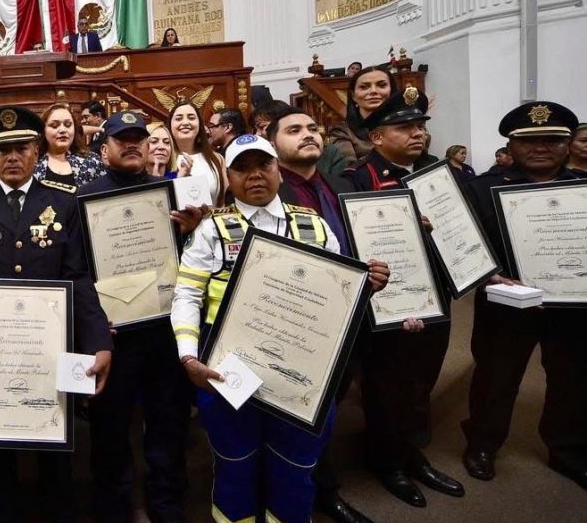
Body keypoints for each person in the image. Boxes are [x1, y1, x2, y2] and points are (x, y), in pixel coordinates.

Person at [172, 134, 390, 523]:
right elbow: (187, 295)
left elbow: (335, 302)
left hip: (301, 364)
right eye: (242, 167)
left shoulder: (315, 226)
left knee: (295, 461)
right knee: (234, 458)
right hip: (228, 363)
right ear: (229, 177)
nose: (254, 175)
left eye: (263, 165)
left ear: (278, 169)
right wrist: (188, 355)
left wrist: (365, 287)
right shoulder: (211, 230)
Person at [0, 105, 112, 522]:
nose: (12, 157)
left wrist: (99, 342)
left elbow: (77, 277)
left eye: (21, 147)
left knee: (55, 448)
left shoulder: (63, 202)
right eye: (2, 150)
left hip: (50, 347)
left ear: (37, 151)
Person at [79, 111, 204, 523]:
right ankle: (115, 508)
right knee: (111, 432)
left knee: (168, 428)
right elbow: (76, 272)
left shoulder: (167, 196)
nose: (133, 144)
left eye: (139, 138)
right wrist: (94, 326)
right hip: (114, 336)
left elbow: (193, 269)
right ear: (104, 150)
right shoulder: (83, 200)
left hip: (162, 331)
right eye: (122, 139)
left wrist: (188, 234)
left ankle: (166, 506)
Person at [343, 88, 461, 507]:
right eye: (405, 127)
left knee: (421, 382)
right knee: (386, 386)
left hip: (439, 298)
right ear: (377, 137)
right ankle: (387, 461)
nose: (417, 134)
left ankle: (412, 454)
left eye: (420, 126)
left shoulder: (438, 174)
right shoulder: (358, 180)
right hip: (390, 302)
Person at [461, 102, 587, 491]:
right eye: (529, 141)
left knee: (573, 381)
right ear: (511, 146)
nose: (540, 148)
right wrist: (486, 276)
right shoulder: (481, 189)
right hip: (506, 304)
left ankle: (566, 451)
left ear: (568, 145)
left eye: (552, 140)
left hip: (574, 309)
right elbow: (462, 245)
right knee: (495, 379)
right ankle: (481, 445)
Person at [268, 108, 369, 523]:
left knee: (331, 406)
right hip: (295, 321)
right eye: (294, 130)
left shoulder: (342, 185)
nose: (308, 135)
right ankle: (315, 489)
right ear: (273, 142)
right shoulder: (265, 193)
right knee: (298, 408)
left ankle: (317, 480)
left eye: (313, 129)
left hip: (349, 316)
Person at [327, 66, 392, 163]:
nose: (373, 91)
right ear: (353, 96)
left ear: (391, 91)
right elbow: (351, 171)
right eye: (364, 87)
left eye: (382, 85)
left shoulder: (407, 125)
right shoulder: (342, 131)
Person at [34, 103, 105, 189]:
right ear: (43, 130)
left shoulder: (93, 161)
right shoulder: (32, 164)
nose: (63, 130)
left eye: (68, 125)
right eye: (54, 126)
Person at [168, 101, 225, 205]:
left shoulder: (217, 158)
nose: (185, 122)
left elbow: (224, 202)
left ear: (200, 124)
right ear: (170, 125)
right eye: (179, 118)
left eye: (191, 117)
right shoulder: (164, 159)